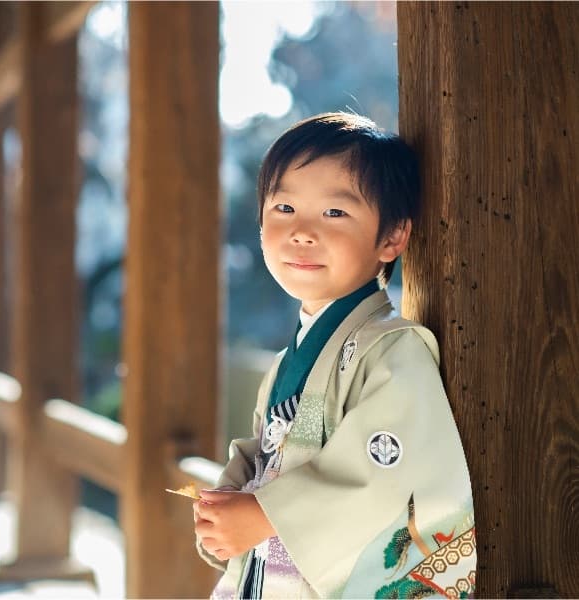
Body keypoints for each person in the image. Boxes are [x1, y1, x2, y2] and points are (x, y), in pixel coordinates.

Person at [194, 113, 476, 599]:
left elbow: (384, 475)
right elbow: (268, 453)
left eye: (334, 213)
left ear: (391, 238)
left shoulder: (392, 351)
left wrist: (263, 515)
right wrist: (232, 495)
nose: (302, 231)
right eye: (283, 207)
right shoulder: (289, 361)